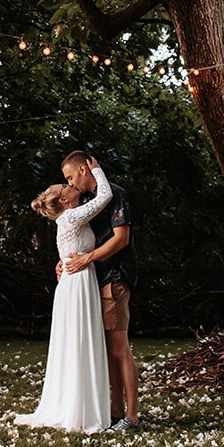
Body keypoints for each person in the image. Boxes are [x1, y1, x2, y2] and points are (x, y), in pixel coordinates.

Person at [16, 160, 113, 433]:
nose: (71, 185)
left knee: (78, 341)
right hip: (78, 281)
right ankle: (78, 409)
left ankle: (78, 403)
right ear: (64, 200)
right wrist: (96, 170)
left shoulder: (71, 216)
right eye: (66, 185)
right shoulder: (71, 216)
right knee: (79, 340)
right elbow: (105, 196)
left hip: (77, 279)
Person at [60, 149, 140, 432]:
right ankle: (115, 411)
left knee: (120, 349)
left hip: (114, 278)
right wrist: (65, 261)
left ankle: (132, 416)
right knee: (108, 350)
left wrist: (86, 259)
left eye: (70, 177)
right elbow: (80, 241)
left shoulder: (115, 194)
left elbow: (121, 239)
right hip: (96, 281)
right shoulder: (88, 202)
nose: (70, 184)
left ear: (83, 170)